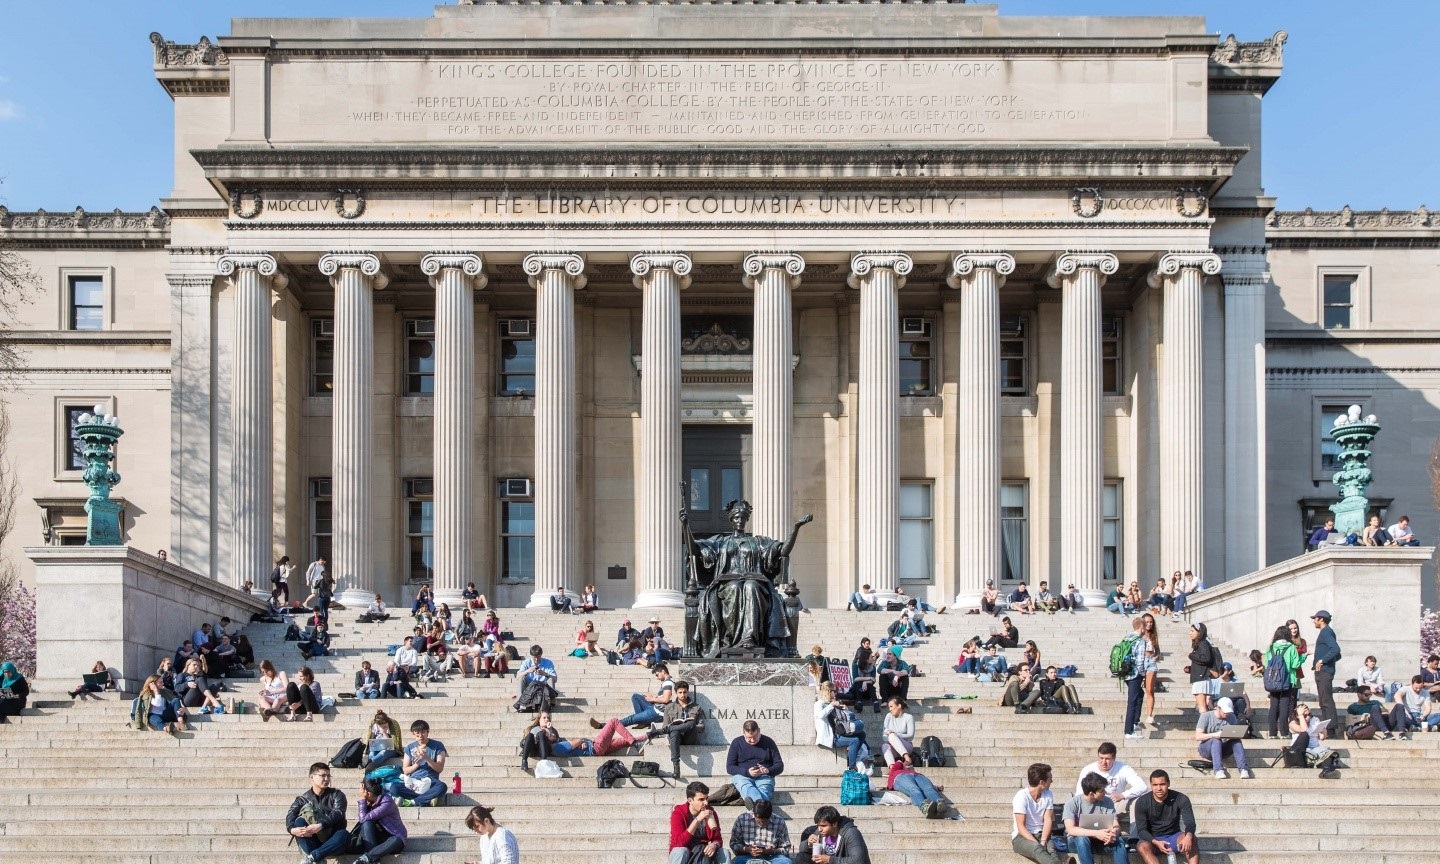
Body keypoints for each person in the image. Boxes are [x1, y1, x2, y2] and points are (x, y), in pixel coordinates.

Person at [684, 499, 812, 658]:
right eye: (737, 518)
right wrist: (686, 526)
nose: (740, 521)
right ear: (731, 520)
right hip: (726, 584)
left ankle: (749, 638)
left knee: (750, 587)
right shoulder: (720, 542)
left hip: (756, 582)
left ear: (747, 520)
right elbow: (694, 549)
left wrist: (796, 528)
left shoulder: (758, 542)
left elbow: (783, 550)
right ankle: (731, 640)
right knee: (735, 588)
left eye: (743, 518)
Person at [286, 762, 351, 864]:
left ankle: (313, 857)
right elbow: (291, 814)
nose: (326, 779)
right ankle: (318, 858)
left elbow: (338, 813)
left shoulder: (337, 795)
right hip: (314, 839)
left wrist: (321, 825)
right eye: (323, 775)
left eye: (328, 776)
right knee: (299, 822)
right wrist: (291, 829)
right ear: (312, 777)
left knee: (344, 835)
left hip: (333, 839)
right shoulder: (303, 799)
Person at [1132, 770, 1198, 864]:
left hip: (1174, 836)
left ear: (1168, 783)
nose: (1159, 788)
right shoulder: (1142, 802)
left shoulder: (1181, 798)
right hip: (1152, 839)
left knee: (1191, 838)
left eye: (1162, 784)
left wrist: (1188, 836)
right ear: (1151, 785)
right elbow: (1142, 830)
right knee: (1142, 846)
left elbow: (1190, 823)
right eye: (1155, 785)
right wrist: (1155, 842)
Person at [1064, 772, 1127, 864]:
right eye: (1101, 791)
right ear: (1091, 793)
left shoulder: (1107, 802)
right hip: (1076, 842)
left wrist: (1114, 832)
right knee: (1082, 838)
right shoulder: (1072, 804)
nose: (1105, 793)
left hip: (1101, 841)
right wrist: (1096, 833)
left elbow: (1115, 825)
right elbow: (1071, 830)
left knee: (1119, 841)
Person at [650, 680, 706, 778]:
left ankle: (657, 732)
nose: (682, 695)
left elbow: (701, 727)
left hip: (690, 737)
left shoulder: (696, 707)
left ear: (687, 692)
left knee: (691, 722)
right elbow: (665, 726)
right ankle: (676, 767)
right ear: (676, 693)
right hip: (675, 738)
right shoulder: (669, 707)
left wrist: (691, 726)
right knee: (674, 731)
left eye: (684, 692)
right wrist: (676, 728)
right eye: (680, 692)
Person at [387, 719, 448, 807]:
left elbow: (439, 768)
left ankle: (411, 802)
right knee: (394, 788)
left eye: (423, 732)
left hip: (430, 781)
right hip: (414, 782)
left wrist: (426, 758)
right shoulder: (409, 747)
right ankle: (427, 799)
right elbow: (405, 770)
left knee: (442, 787)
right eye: (417, 733)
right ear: (413, 734)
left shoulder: (438, 746)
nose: (420, 736)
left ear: (427, 732)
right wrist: (416, 765)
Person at [813, 682, 870, 773]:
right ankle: (851, 767)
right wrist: (832, 705)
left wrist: (845, 710)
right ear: (828, 691)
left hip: (839, 732)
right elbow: (820, 715)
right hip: (830, 737)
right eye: (834, 691)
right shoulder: (819, 704)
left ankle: (853, 756)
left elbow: (846, 720)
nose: (836, 694)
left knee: (862, 734)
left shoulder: (831, 703)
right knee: (854, 740)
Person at [726, 719, 785, 807]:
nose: (753, 740)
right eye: (749, 738)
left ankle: (754, 804)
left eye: (755, 736)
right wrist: (747, 772)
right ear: (743, 734)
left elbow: (779, 765)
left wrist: (768, 770)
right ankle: (760, 806)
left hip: (764, 776)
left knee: (765, 788)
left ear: (759, 731)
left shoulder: (769, 742)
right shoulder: (736, 743)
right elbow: (730, 767)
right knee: (746, 786)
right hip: (743, 776)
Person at [1074, 742, 1147, 811]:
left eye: (1107, 759)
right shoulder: (1088, 769)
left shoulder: (1123, 768)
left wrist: (1122, 795)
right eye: (1101, 758)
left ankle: (1135, 825)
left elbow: (1142, 786)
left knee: (1136, 801)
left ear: (1114, 758)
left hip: (1115, 805)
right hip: (1093, 806)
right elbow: (1079, 793)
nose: (1104, 762)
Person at [1010, 762, 1058, 864]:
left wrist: (1044, 840)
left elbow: (1048, 819)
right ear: (1042, 782)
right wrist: (1038, 844)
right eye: (1050, 779)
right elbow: (1021, 827)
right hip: (1021, 837)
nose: (1052, 781)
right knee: (1037, 849)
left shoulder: (1048, 794)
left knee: (1051, 850)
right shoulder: (1021, 796)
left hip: (1041, 834)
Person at [1193, 697, 1253, 779]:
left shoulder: (1231, 717)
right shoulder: (1206, 716)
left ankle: (1243, 769)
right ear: (1218, 708)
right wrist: (1214, 735)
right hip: (1206, 748)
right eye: (1225, 712)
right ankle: (1218, 770)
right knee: (1216, 740)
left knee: (1236, 740)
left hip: (1224, 747)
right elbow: (1198, 736)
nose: (1227, 714)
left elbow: (1234, 733)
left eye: (1228, 712)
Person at [351, 776, 407, 863]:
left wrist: (362, 800)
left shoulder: (386, 802)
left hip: (393, 837)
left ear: (368, 793)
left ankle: (366, 858)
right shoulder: (370, 801)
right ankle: (375, 860)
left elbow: (363, 818)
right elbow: (364, 821)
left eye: (362, 790)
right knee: (366, 824)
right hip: (379, 837)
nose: (360, 792)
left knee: (396, 839)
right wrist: (364, 801)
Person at [668, 781, 727, 864]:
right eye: (701, 799)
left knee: (724, 852)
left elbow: (717, 838)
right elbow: (679, 843)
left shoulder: (710, 812)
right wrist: (697, 820)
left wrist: (714, 845)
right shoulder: (678, 813)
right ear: (690, 800)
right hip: (684, 852)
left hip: (702, 852)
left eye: (706, 798)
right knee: (681, 851)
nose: (705, 803)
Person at [1263, 625, 1302, 739]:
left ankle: (1272, 733)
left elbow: (1266, 664)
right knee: (1284, 705)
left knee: (1273, 705)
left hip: (1273, 680)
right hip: (1287, 680)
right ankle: (1284, 733)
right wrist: (1302, 658)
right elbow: (1296, 664)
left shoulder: (1270, 647)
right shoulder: (1291, 647)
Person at [798, 805, 869, 864]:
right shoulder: (820, 832)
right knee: (801, 857)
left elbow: (858, 861)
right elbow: (802, 850)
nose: (820, 829)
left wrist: (830, 860)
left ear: (834, 824)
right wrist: (808, 843)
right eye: (818, 825)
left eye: (823, 826)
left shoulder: (851, 833)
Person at [730, 799, 793, 864]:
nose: (762, 824)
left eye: (765, 821)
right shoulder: (742, 819)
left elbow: (786, 847)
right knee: (737, 862)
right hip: (747, 855)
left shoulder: (779, 822)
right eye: (758, 821)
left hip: (772, 856)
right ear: (754, 814)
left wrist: (773, 851)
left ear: (770, 815)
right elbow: (733, 843)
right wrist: (748, 849)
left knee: (786, 862)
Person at [614, 663, 675, 729]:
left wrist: (652, 699)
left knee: (631, 719)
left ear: (663, 671)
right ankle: (642, 723)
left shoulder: (668, 683)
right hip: (656, 708)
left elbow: (665, 699)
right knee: (635, 697)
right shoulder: (669, 682)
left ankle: (610, 725)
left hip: (658, 713)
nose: (657, 678)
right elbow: (666, 697)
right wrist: (654, 697)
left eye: (657, 675)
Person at [887, 752, 946, 818]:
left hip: (918, 775)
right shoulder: (895, 771)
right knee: (914, 789)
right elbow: (897, 764)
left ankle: (940, 804)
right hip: (901, 777)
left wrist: (935, 787)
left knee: (929, 789)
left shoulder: (912, 771)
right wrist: (900, 762)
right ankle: (925, 807)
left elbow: (927, 787)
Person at [1311, 609, 1341, 734]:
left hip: (1324, 671)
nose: (1314, 621)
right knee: (1323, 700)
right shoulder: (1325, 632)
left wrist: (1322, 661)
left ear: (1321, 619)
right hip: (1322, 671)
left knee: (1326, 700)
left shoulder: (1326, 632)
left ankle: (1331, 728)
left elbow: (1336, 649)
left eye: (1315, 619)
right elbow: (1337, 654)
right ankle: (1326, 728)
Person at [1345, 686, 1414, 739]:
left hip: (1385, 721)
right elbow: (1351, 720)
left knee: (1399, 706)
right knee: (1375, 707)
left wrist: (1379, 713)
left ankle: (1402, 733)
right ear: (1359, 695)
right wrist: (1366, 716)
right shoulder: (1352, 707)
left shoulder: (1375, 702)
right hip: (1372, 724)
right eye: (1366, 695)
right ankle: (1386, 733)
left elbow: (1385, 711)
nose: (1368, 697)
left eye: (1370, 695)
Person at [1185, 623, 1222, 715]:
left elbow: (1206, 659)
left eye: (1193, 631)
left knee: (1202, 706)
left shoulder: (1203, 643)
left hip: (1201, 679)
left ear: (1199, 632)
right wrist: (1191, 669)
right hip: (1202, 677)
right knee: (1204, 705)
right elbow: (1203, 662)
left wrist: (1191, 656)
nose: (1190, 633)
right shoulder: (1203, 644)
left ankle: (1204, 726)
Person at [1121, 618, 1147, 740]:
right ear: (1141, 628)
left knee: (1140, 694)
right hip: (1135, 674)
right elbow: (1140, 660)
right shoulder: (1140, 641)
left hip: (1125, 673)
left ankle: (1135, 721)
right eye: (1145, 628)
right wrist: (1142, 674)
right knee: (1132, 702)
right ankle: (1129, 730)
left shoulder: (1126, 637)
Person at [1018, 666, 1083, 714]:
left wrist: (1056, 682)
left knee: (1071, 686)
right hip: (1050, 700)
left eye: (1055, 672)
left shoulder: (1060, 681)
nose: (1054, 674)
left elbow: (1064, 694)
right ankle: (1070, 707)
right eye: (1051, 673)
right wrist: (1052, 683)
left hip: (1059, 700)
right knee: (1063, 687)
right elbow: (1044, 694)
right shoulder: (1043, 681)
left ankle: (1077, 706)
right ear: (1047, 674)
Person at [1138, 613, 1162, 725]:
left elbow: (1157, 650)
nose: (1149, 624)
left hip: (1151, 662)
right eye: (1147, 622)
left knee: (1149, 690)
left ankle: (1149, 715)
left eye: (1151, 622)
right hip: (1140, 662)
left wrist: (1156, 656)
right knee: (1137, 690)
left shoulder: (1153, 636)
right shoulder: (1138, 635)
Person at [880, 697, 915, 766]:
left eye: (891, 706)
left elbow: (910, 735)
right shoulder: (888, 716)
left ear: (899, 706)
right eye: (889, 707)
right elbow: (884, 736)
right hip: (892, 746)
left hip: (906, 746)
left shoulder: (909, 717)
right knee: (885, 746)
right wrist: (890, 738)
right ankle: (892, 767)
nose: (890, 709)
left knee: (892, 735)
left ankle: (907, 758)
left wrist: (895, 735)